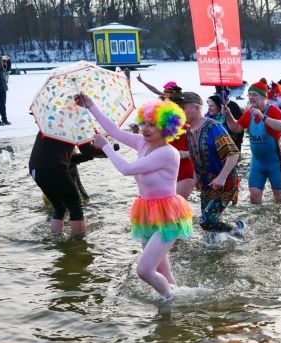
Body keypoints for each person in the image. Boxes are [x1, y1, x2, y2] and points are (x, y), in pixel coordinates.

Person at [75, 94, 193, 299]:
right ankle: (179, 302)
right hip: (147, 211)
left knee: (144, 271)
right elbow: (114, 131)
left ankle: (169, 300)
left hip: (168, 216)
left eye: (152, 125)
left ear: (166, 128)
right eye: (144, 123)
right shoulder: (143, 143)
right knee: (163, 271)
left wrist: (106, 147)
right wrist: (91, 105)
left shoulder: (167, 153)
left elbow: (126, 169)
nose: (145, 129)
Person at [179, 92, 243, 232]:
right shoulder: (189, 132)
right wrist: (195, 180)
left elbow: (233, 154)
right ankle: (224, 246)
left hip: (225, 183)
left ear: (196, 107)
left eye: (182, 108)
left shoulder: (213, 126)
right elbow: (196, 158)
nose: (179, 112)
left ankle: (236, 229)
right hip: (206, 185)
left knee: (206, 221)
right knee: (209, 231)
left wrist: (222, 176)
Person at [223, 82, 281, 204]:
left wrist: (263, 117)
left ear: (264, 97)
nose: (251, 97)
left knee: (280, 199)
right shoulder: (249, 113)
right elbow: (236, 128)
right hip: (257, 164)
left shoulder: (273, 110)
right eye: (249, 95)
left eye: (255, 95)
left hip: (274, 163)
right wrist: (228, 115)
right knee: (254, 199)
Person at [29, 132, 104, 235]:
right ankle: (79, 243)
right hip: (55, 168)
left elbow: (68, 158)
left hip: (36, 170)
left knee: (59, 207)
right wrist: (107, 149)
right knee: (75, 206)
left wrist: (92, 156)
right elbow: (87, 150)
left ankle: (56, 238)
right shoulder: (73, 122)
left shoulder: (49, 123)